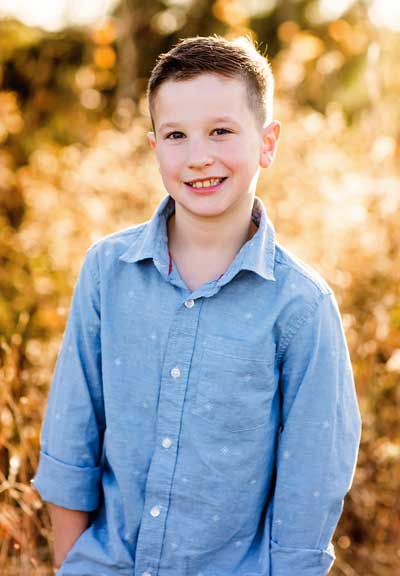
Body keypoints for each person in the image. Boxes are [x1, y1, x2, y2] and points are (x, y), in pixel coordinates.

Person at [33, 35, 362, 576]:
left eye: (221, 131)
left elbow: (311, 486)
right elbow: (72, 438)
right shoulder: (107, 272)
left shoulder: (301, 308)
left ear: (267, 142)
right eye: (177, 135)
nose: (199, 156)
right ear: (154, 147)